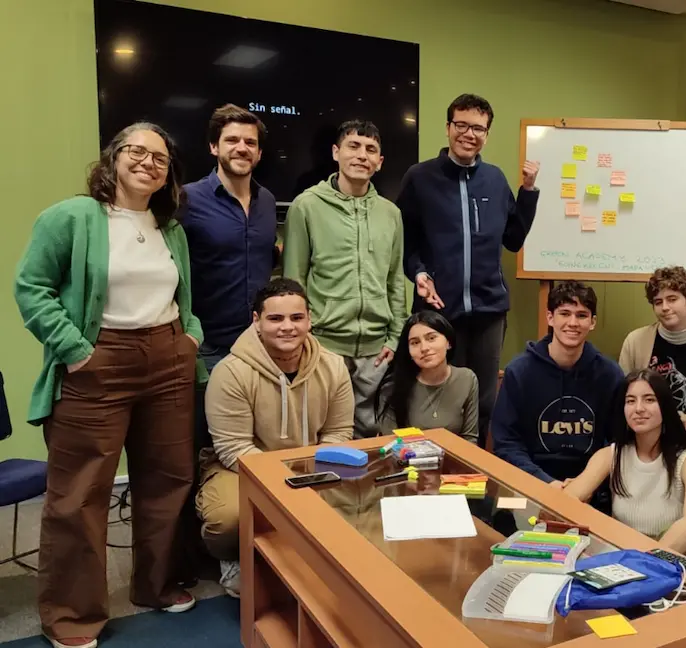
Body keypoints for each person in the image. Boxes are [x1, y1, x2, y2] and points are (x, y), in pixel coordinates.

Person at [14, 122, 202, 648]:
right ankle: (72, 617)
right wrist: (74, 350)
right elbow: (31, 287)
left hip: (167, 359)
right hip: (99, 360)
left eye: (160, 158)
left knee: (168, 479)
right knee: (79, 494)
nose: (148, 163)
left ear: (170, 174)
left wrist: (189, 337)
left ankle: (156, 585)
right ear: (113, 158)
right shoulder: (73, 216)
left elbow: (184, 296)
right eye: (137, 152)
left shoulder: (170, 228)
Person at [398, 93, 541, 448]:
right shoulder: (419, 177)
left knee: (484, 399)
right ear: (448, 128)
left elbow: (513, 238)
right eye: (461, 125)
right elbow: (405, 242)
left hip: (489, 309)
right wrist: (418, 274)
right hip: (439, 310)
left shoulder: (494, 179)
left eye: (478, 128)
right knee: (438, 393)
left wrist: (528, 191)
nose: (469, 134)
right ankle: (432, 463)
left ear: (487, 135)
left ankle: (474, 467)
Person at [195, 278, 353, 598]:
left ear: (309, 319)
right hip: (239, 467)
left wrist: (310, 476)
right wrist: (288, 484)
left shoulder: (334, 367)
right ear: (256, 322)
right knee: (228, 518)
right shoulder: (231, 372)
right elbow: (233, 448)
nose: (287, 328)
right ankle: (232, 556)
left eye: (296, 318)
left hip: (309, 464)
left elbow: (338, 433)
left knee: (357, 502)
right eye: (275, 318)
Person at [283, 120, 405, 438]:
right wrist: (305, 338)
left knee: (367, 435)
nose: (362, 155)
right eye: (353, 146)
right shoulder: (306, 206)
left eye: (371, 149)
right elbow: (293, 280)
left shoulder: (391, 214)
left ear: (380, 162)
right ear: (336, 152)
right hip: (324, 345)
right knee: (319, 432)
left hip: (376, 351)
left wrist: (395, 337)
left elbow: (394, 279)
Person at [491, 281, 625, 487]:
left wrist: (584, 484)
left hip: (593, 487)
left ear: (592, 322)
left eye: (581, 315)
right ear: (550, 318)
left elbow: (617, 442)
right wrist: (545, 482)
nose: (573, 322)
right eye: (564, 313)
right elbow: (506, 443)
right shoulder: (519, 372)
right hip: (530, 483)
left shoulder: (610, 374)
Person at [564, 370, 686, 556]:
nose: (638, 408)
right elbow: (567, 499)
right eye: (630, 401)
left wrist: (645, 562)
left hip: (668, 563)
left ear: (664, 406)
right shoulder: (610, 455)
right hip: (618, 555)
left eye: (649, 400)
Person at [181, 104, 277, 373]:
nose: (242, 148)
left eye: (250, 142)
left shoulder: (267, 201)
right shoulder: (187, 199)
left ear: (259, 153)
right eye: (232, 140)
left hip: (260, 344)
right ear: (214, 147)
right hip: (207, 347)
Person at [619, 266, 686, 424]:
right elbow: (623, 396)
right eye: (658, 302)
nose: (665, 308)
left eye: (672, 299)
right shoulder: (635, 341)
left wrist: (685, 421)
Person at [375, 311, 479, 443]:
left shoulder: (467, 379)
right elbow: (391, 444)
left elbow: (470, 438)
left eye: (431, 338)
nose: (424, 348)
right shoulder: (392, 386)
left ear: (449, 342)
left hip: (453, 459)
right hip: (408, 460)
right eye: (415, 343)